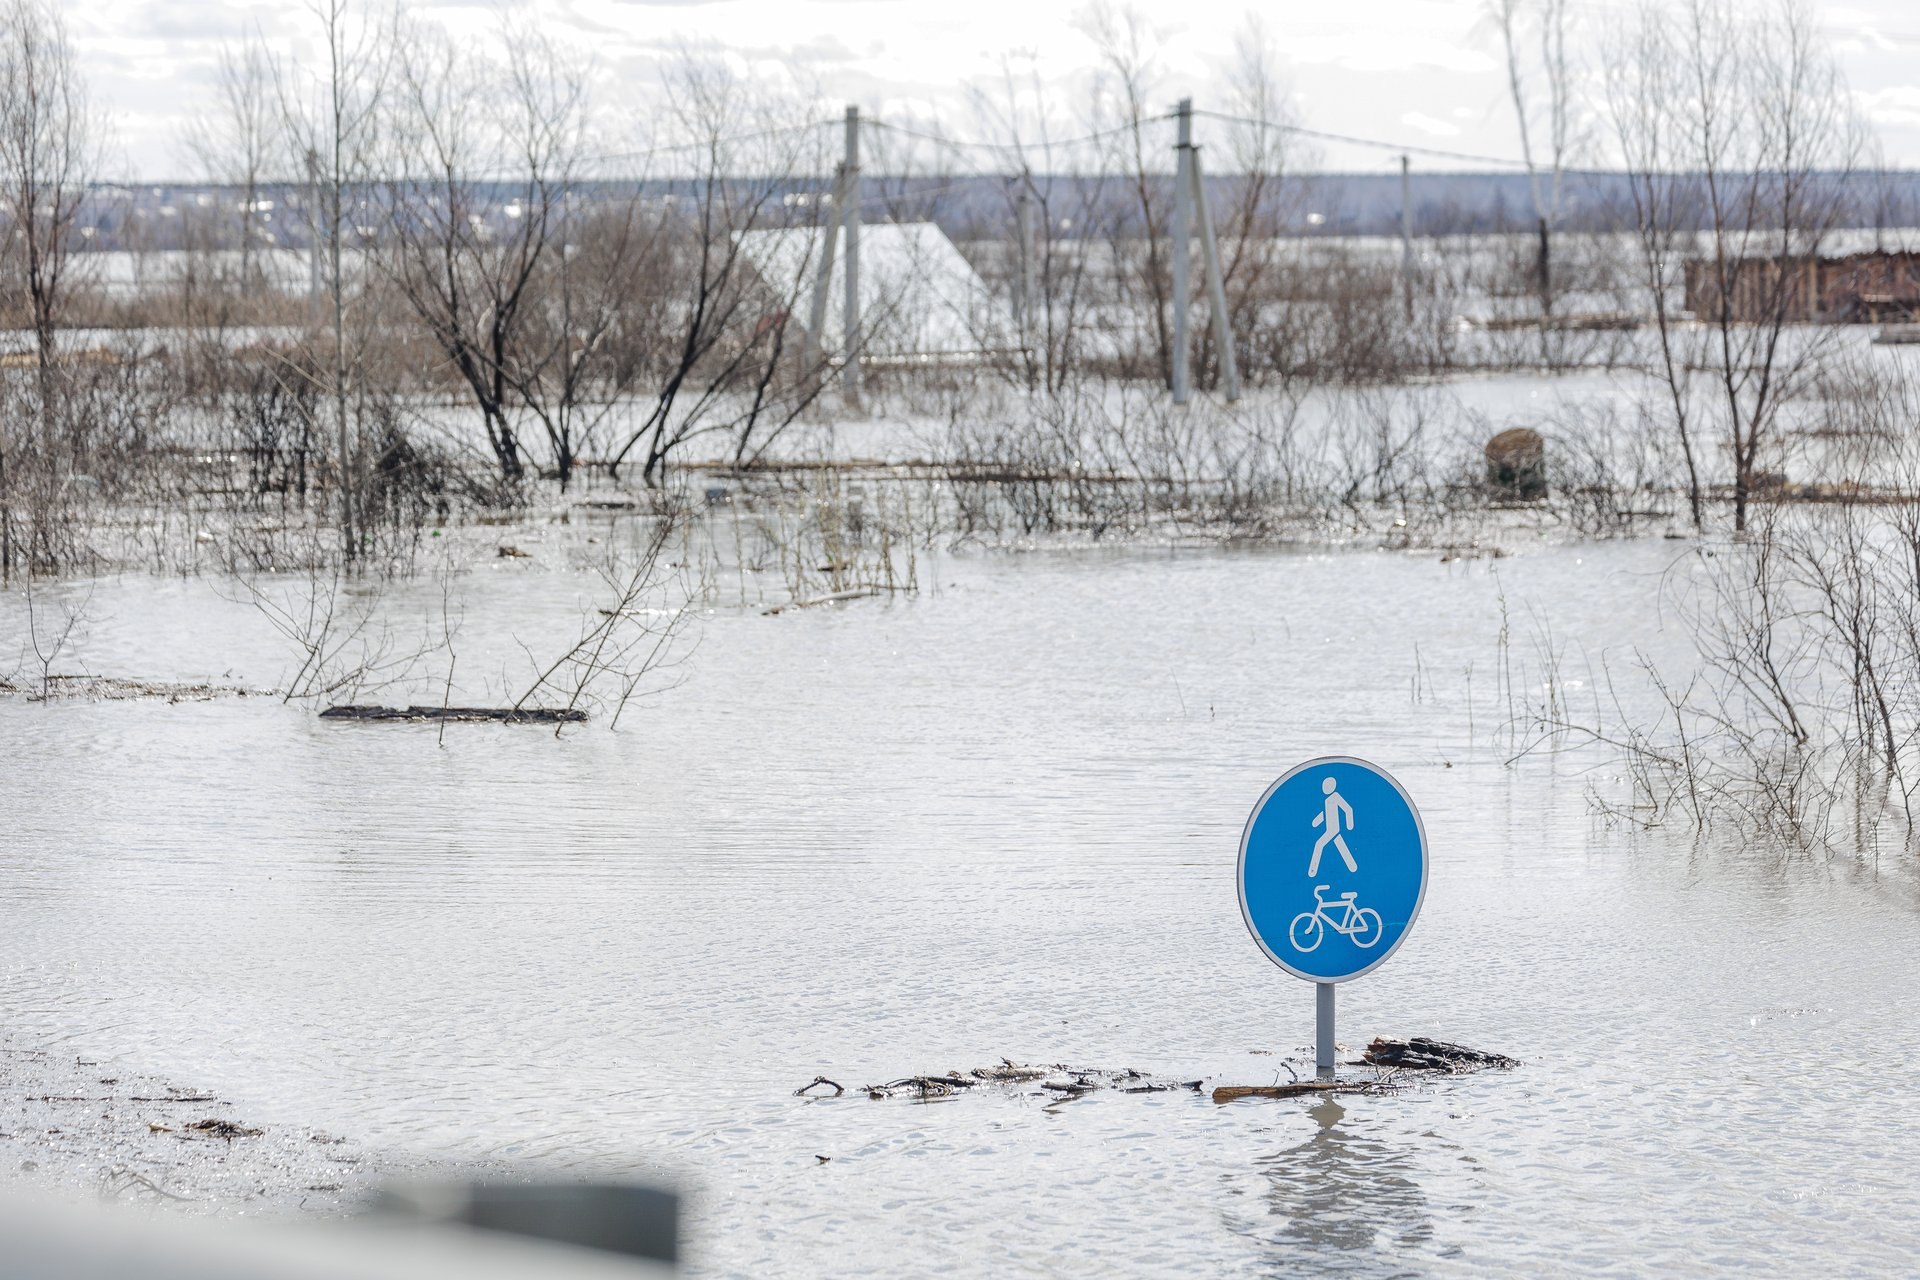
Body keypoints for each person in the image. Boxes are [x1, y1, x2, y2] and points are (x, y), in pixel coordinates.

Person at [1308, 776, 1357, 877]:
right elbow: (1325, 813)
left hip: (1334, 829)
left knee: (1319, 844)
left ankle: (1312, 872)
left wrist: (1350, 824)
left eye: (1326, 786)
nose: (1324, 788)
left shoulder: (1335, 796)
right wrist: (1316, 822)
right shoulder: (1327, 800)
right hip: (1331, 829)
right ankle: (1353, 867)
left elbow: (1348, 809)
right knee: (1341, 846)